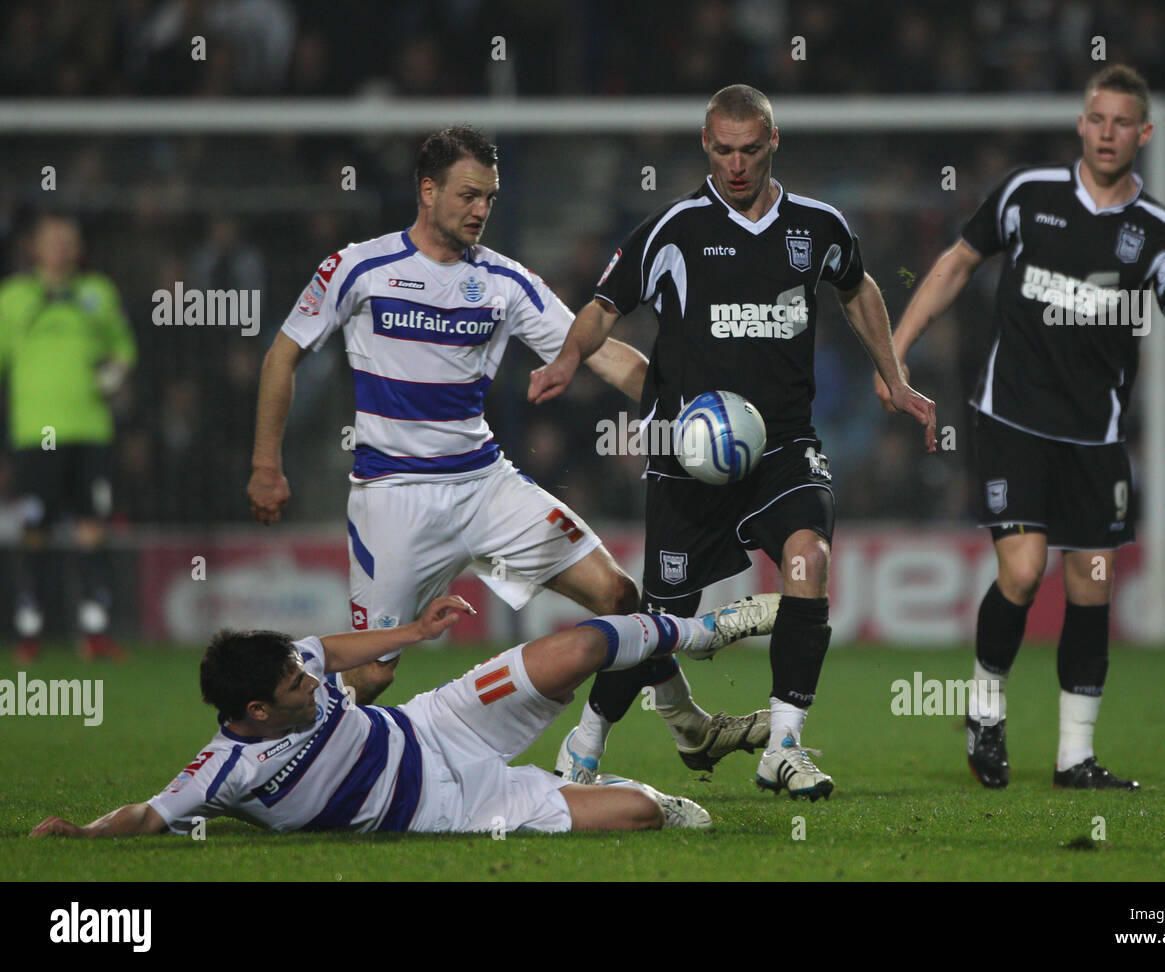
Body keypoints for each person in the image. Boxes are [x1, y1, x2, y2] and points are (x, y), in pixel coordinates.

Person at [246, 126, 765, 775]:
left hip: (486, 484)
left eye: (489, 197)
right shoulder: (361, 267)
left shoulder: (503, 280)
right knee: (373, 673)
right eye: (468, 194)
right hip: (395, 500)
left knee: (618, 595)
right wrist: (267, 463)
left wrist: (687, 409)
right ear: (427, 190)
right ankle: (266, 763)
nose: (479, 209)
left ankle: (687, 724)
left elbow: (599, 353)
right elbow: (284, 352)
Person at [531, 85, 936, 799]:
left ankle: (783, 745)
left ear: (773, 142)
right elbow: (603, 306)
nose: (737, 164)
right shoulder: (674, 229)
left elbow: (859, 286)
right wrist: (567, 360)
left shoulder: (818, 225)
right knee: (664, 619)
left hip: (782, 445)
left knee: (808, 560)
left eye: (750, 149)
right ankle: (584, 744)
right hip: (691, 456)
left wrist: (894, 377)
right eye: (723, 149)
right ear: (705, 144)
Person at [878, 65, 1165, 790]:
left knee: (1093, 585)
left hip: (1096, 438)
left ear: (1144, 134)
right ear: (1081, 124)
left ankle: (1075, 757)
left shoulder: (1160, 236)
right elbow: (956, 265)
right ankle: (985, 708)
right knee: (1022, 569)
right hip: (1010, 415)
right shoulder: (1027, 196)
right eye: (1095, 119)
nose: (1106, 134)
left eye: (1121, 123)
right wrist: (896, 354)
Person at [28, 593, 777, 838]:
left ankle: (708, 631)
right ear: (256, 711)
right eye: (296, 686)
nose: (311, 680)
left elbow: (330, 646)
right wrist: (84, 833)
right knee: (648, 816)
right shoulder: (223, 771)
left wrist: (416, 634)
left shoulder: (289, 664)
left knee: (581, 643)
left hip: (439, 724)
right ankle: (613, 788)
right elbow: (150, 815)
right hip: (451, 807)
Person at [0, 214, 136, 662]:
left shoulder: (97, 292)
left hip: (91, 430)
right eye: (51, 240)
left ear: (77, 250)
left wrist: (115, 371)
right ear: (35, 248)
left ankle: (94, 635)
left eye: (67, 241)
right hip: (35, 433)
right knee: (34, 529)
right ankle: (29, 633)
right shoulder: (14, 297)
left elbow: (123, 347)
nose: (60, 248)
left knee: (91, 529)